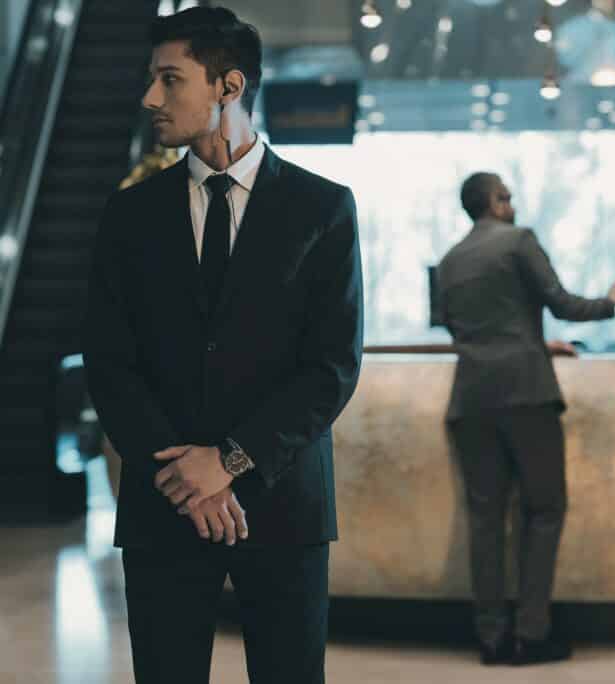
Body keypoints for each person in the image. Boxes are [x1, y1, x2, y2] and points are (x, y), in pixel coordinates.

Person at [83, 7, 363, 683]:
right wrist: (186, 479)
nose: (151, 97)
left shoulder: (322, 207)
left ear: (228, 87)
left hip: (283, 501)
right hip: (163, 502)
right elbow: (109, 362)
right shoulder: (130, 212)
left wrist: (231, 461)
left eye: (169, 79)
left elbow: (331, 368)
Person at [438, 172, 615, 665]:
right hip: (525, 394)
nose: (513, 202)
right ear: (495, 201)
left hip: (471, 400)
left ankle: (491, 639)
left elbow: (467, 329)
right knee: (543, 512)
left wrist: (528, 337)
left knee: (485, 521)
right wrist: (611, 301)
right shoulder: (518, 240)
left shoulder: (449, 261)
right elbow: (562, 302)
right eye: (507, 194)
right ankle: (532, 633)